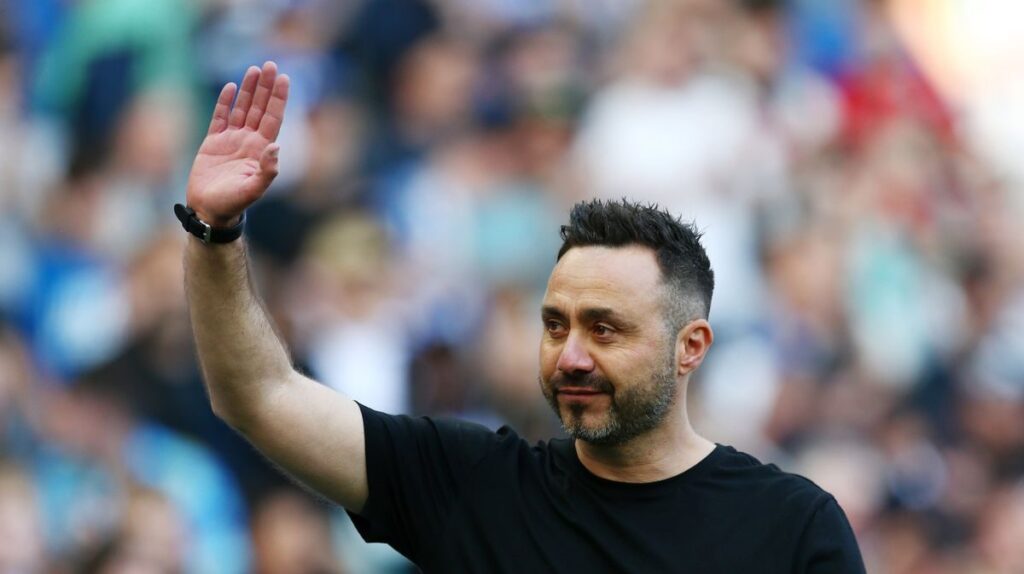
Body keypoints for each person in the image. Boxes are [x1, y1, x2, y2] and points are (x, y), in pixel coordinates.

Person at [180, 61, 865, 573]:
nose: (571, 355)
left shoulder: (791, 526)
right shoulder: (475, 486)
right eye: (556, 325)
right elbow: (259, 395)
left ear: (691, 346)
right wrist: (215, 230)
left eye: (605, 329)